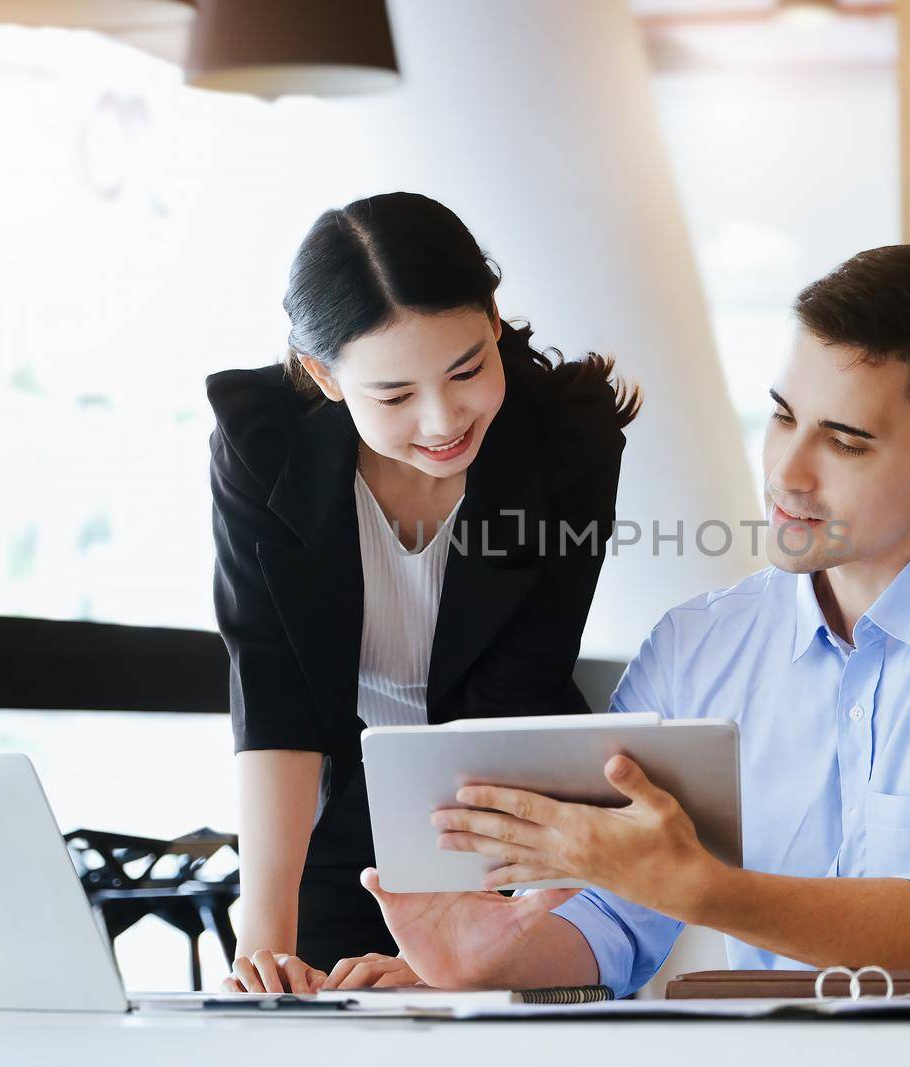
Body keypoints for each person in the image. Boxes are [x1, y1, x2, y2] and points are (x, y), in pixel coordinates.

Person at [340, 244, 910, 998]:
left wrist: (699, 885)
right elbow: (615, 918)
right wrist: (486, 958)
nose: (787, 472)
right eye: (783, 415)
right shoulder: (698, 646)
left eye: (847, 440)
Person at [206, 192, 639, 993]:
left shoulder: (566, 440)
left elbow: (513, 689)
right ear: (324, 377)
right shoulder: (261, 444)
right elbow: (273, 689)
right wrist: (261, 936)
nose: (444, 419)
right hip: (352, 805)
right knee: (308, 1000)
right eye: (395, 395)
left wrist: (452, 951)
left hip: (522, 809)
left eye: (468, 367)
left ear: (494, 315)